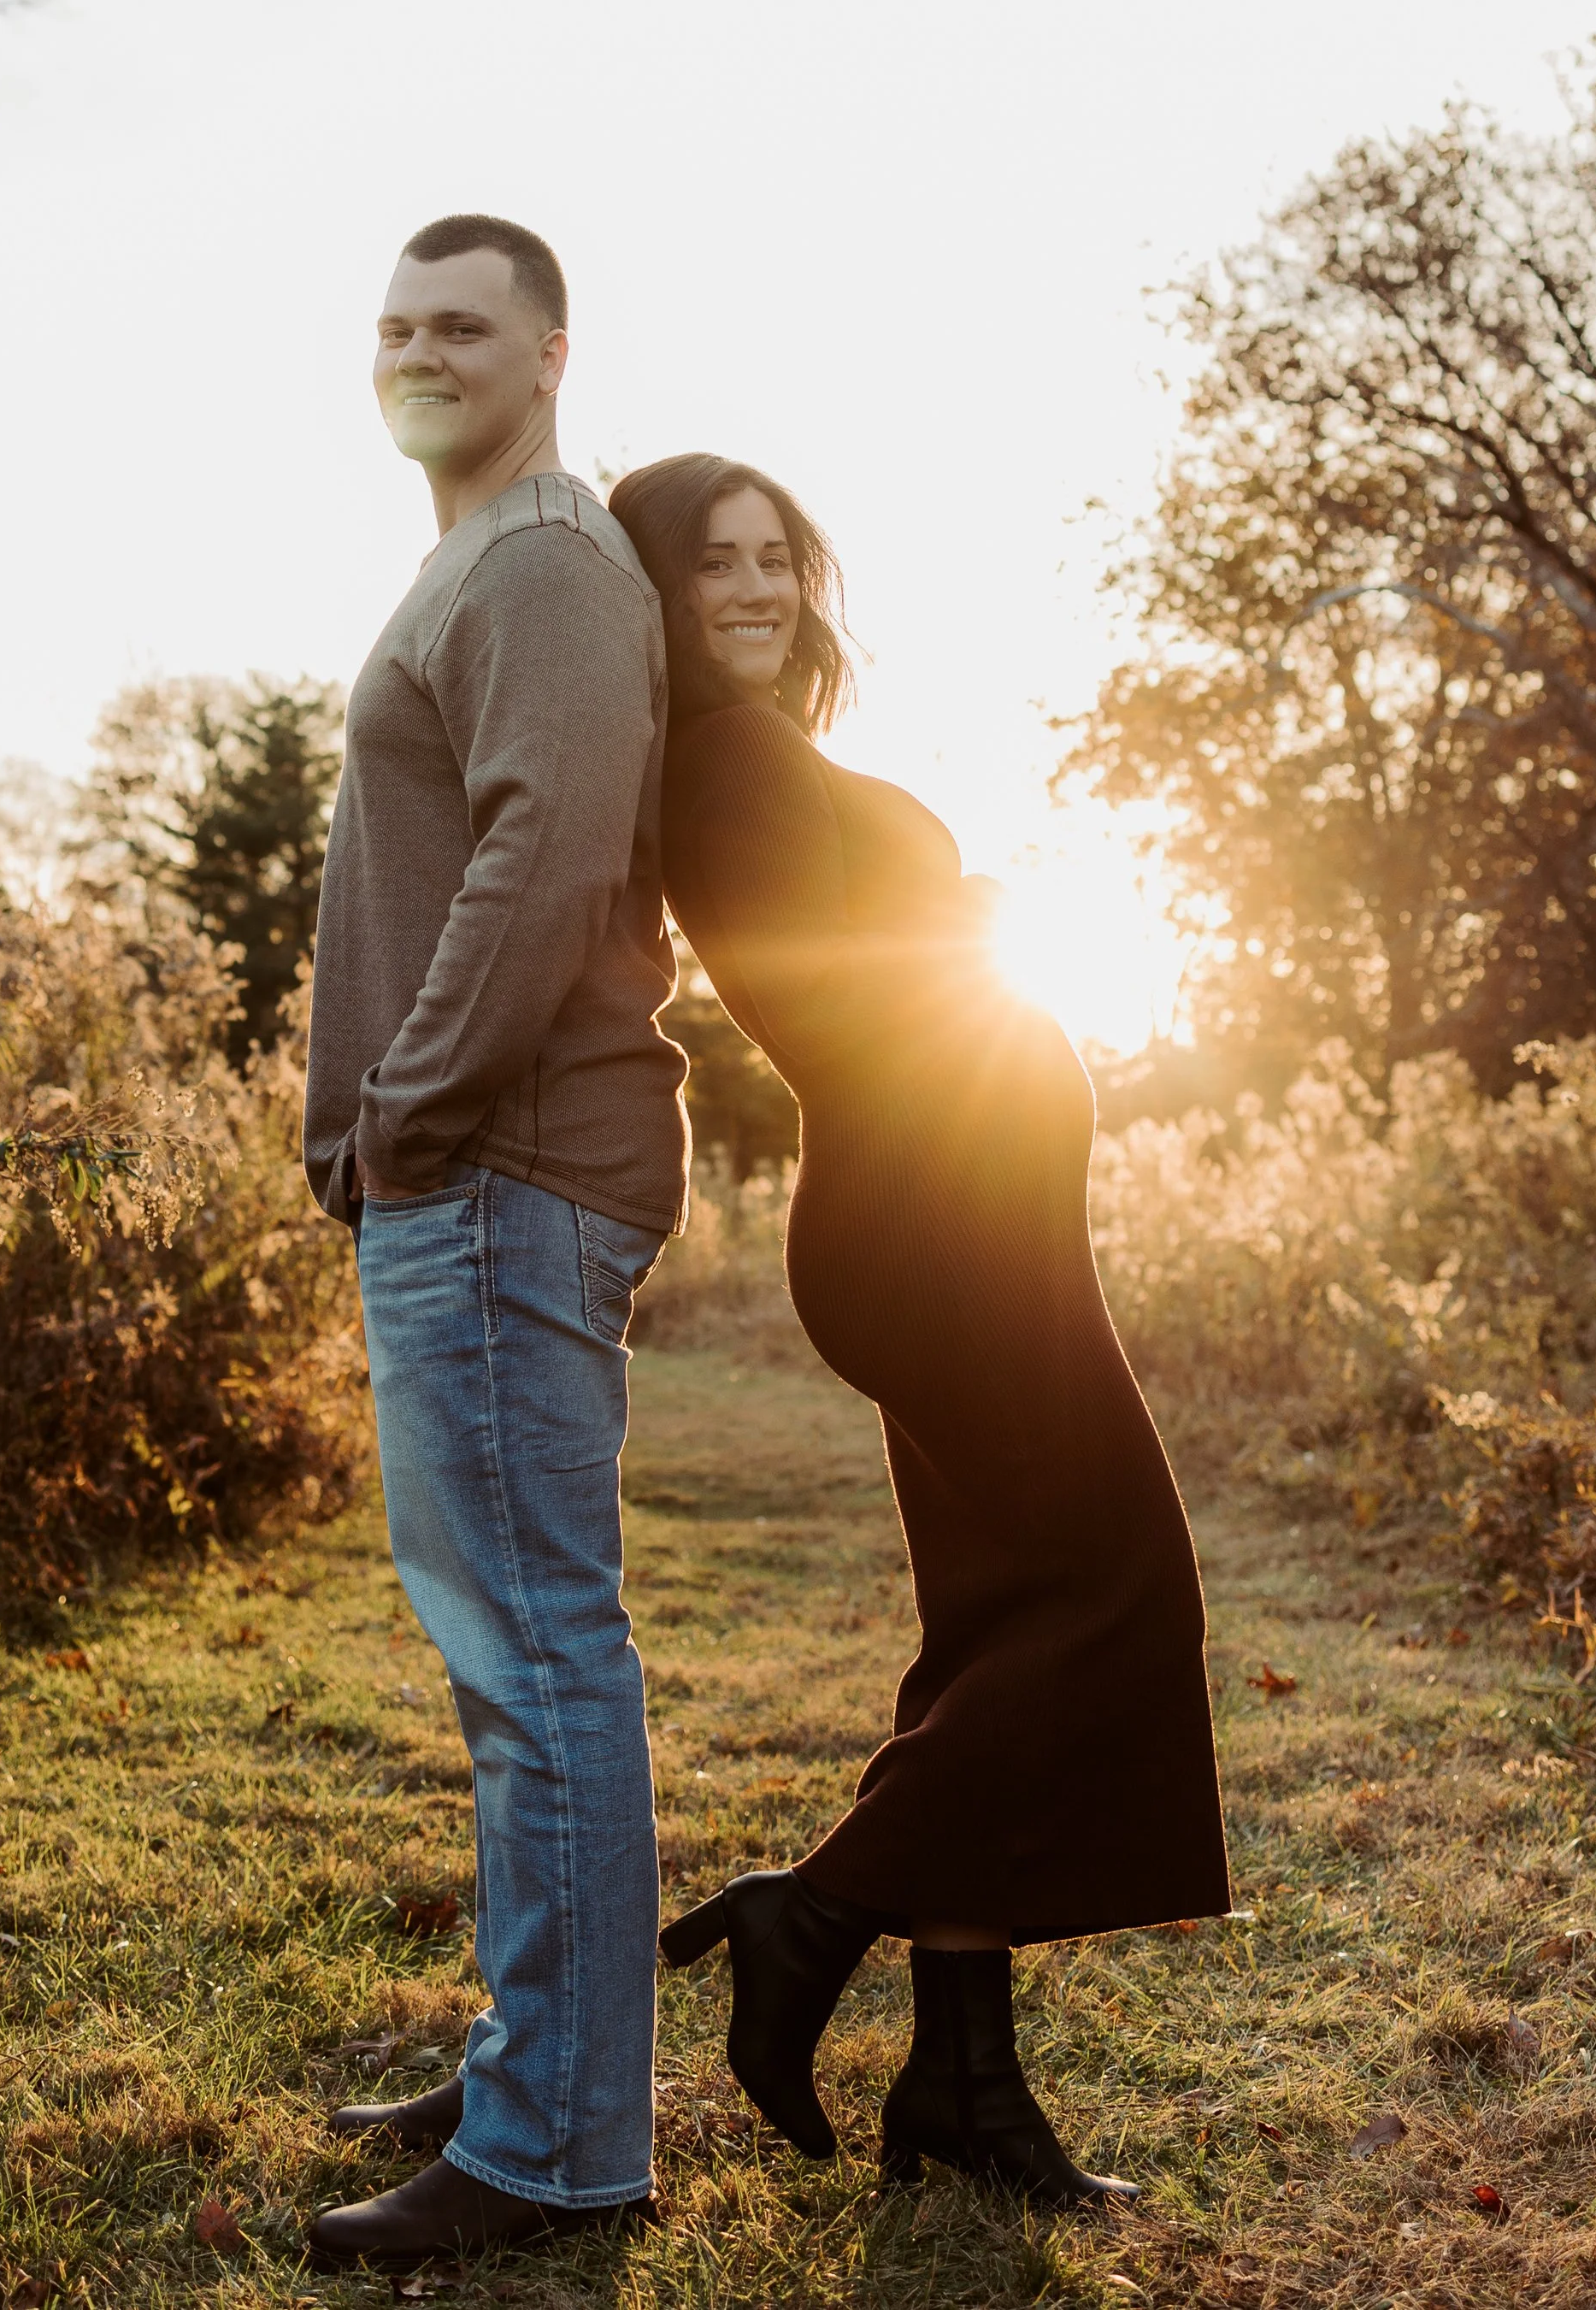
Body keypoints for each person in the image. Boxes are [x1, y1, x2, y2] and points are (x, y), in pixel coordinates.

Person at [607, 453, 1231, 2212]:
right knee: (1117, 1586)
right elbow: (844, 982)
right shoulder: (723, 763)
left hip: (957, 1219)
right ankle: (809, 1915)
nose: (750, 588)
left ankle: (965, 2093)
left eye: (773, 560)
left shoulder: (762, 761)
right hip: (936, 1228)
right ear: (649, 595)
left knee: (996, 1629)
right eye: (707, 563)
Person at [301, 217, 689, 2275]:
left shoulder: (539, 557)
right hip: (479, 1168)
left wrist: (406, 1110)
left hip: (499, 1166)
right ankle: (540, 2069)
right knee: (515, 1656)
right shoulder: (481, 557)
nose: (416, 349)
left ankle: (551, 2154)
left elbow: (539, 852)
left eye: (460, 322)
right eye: (392, 325)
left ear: (549, 348)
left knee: (537, 1657)